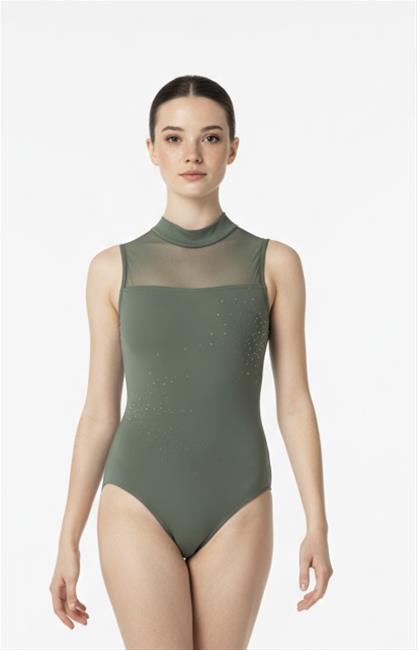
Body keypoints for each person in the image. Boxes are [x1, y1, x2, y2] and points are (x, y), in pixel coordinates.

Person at [49, 74, 333, 650]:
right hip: (136, 500)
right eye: (174, 138)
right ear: (152, 149)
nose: (192, 154)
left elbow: (295, 403)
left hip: (239, 502)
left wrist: (317, 522)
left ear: (233, 148)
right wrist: (67, 539)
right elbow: (99, 412)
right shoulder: (111, 270)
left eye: (210, 137)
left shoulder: (276, 264)